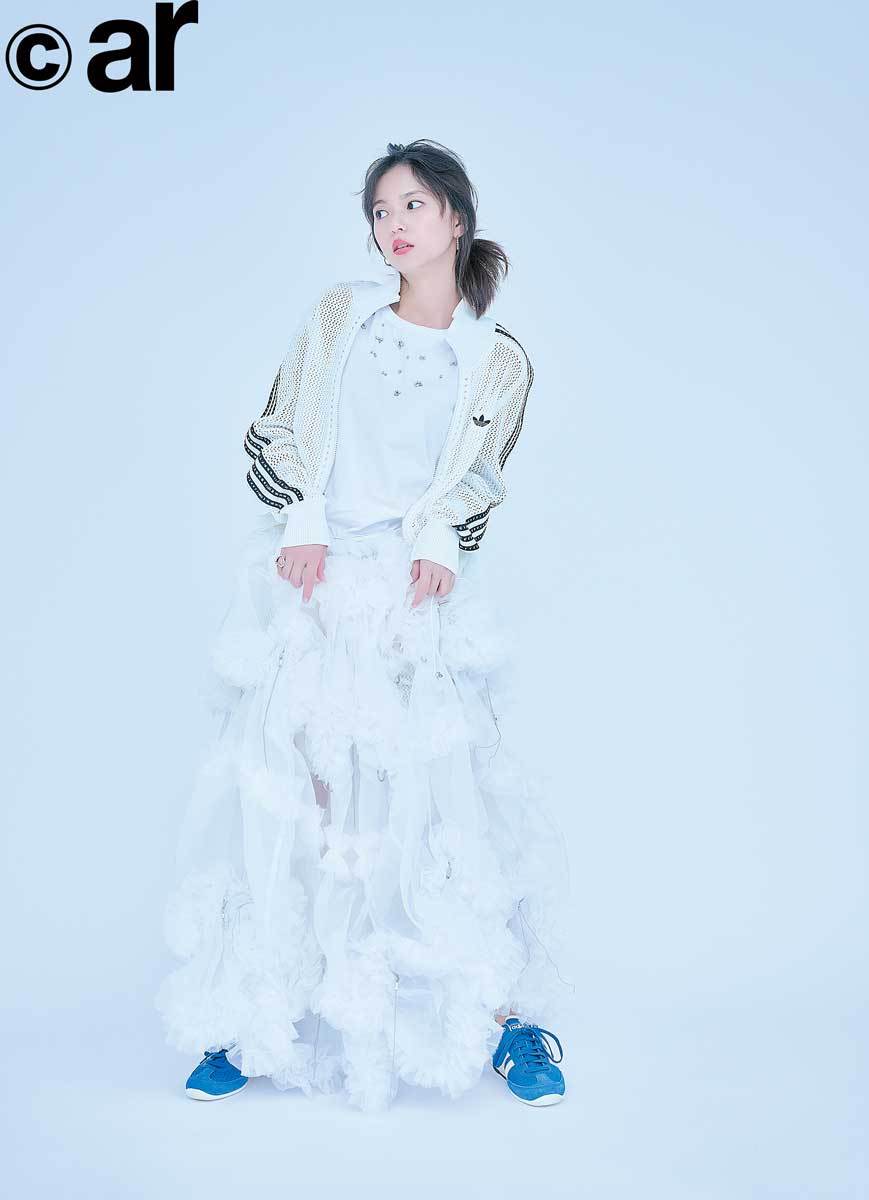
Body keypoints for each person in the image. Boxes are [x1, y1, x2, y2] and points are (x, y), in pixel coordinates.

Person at [155, 138, 574, 1113]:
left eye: (412, 205)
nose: (393, 225)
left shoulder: (495, 359)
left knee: (438, 801)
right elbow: (281, 422)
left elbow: (479, 478)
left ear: (455, 218)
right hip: (312, 584)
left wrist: (436, 537)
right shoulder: (340, 313)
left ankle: (497, 1021)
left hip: (414, 596)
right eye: (380, 210)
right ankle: (252, 1021)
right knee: (287, 795)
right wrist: (302, 521)